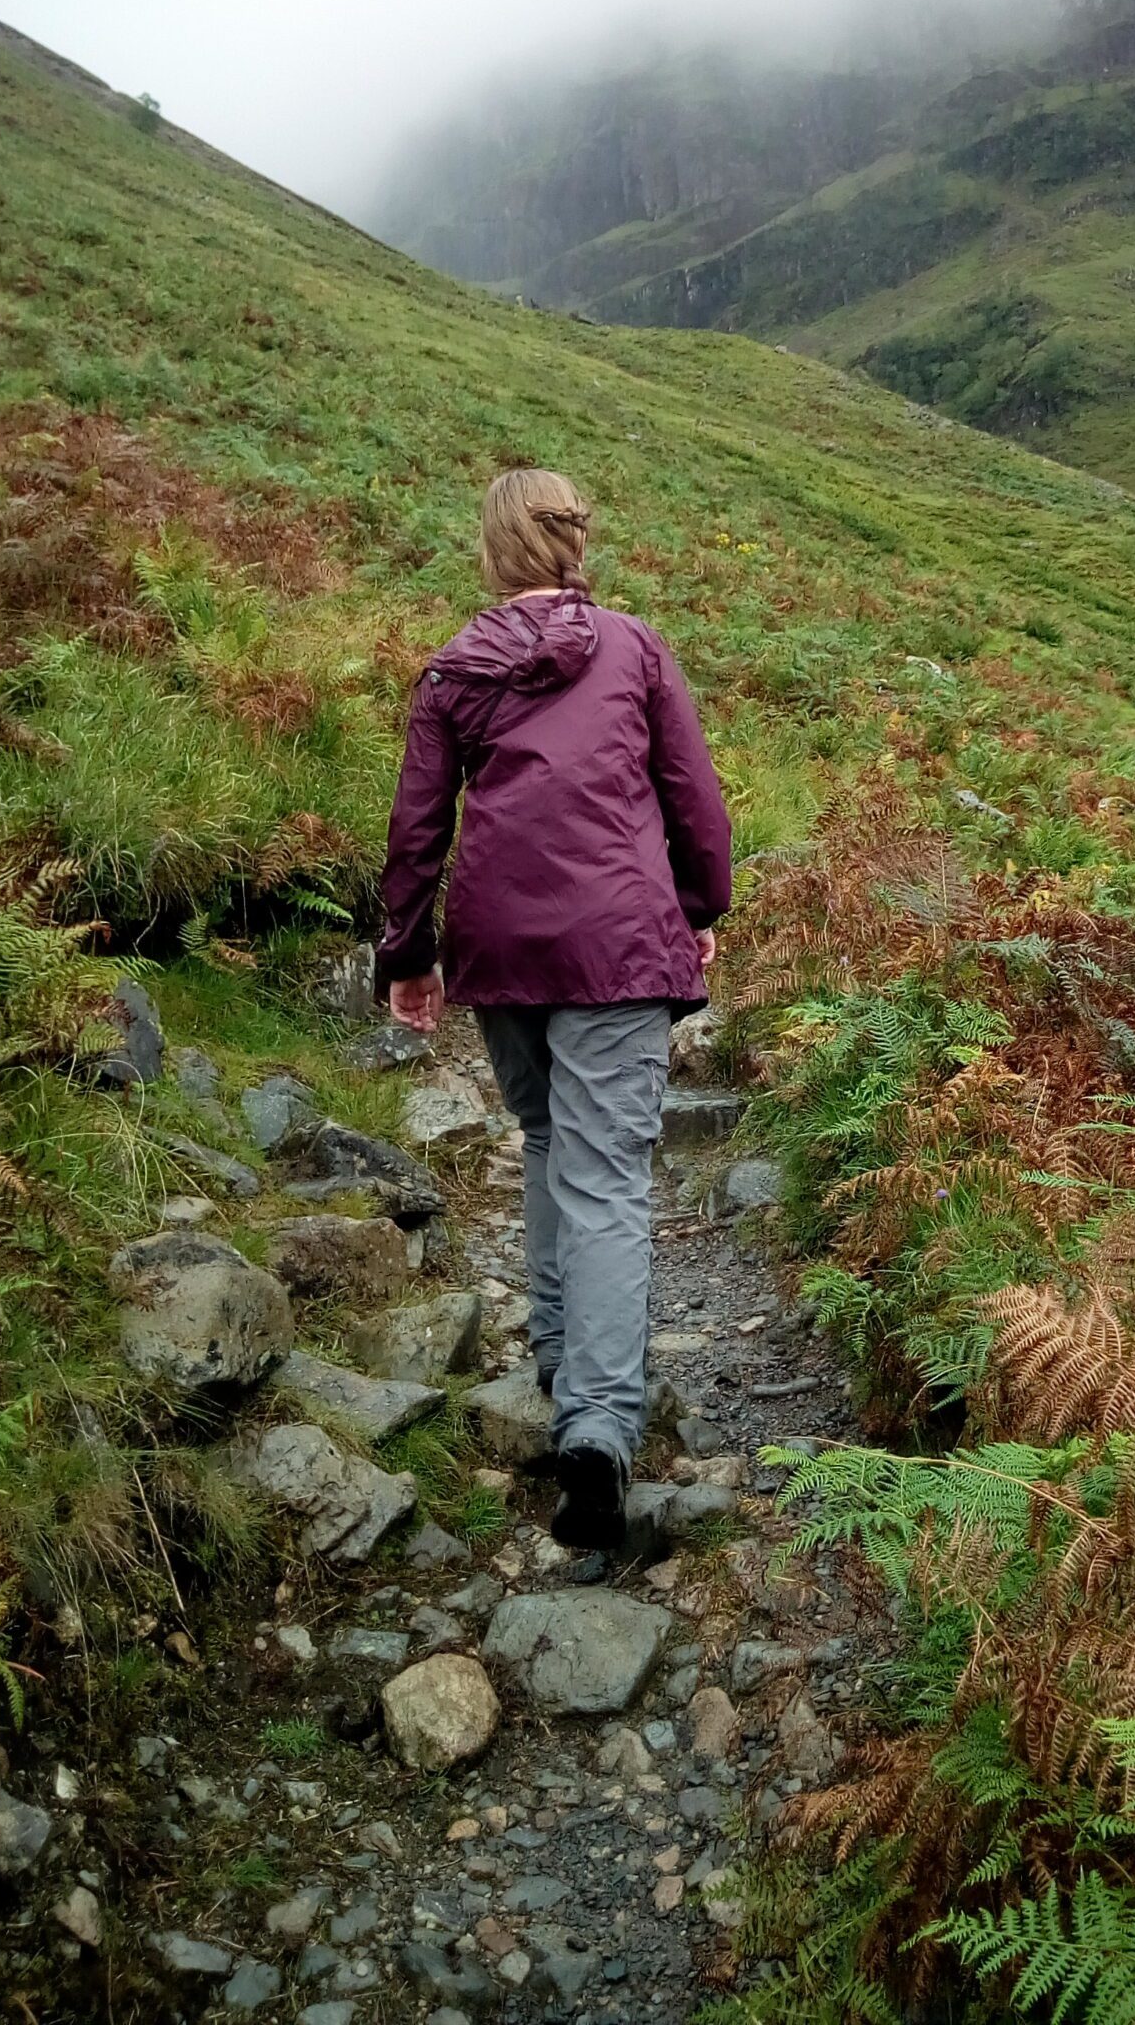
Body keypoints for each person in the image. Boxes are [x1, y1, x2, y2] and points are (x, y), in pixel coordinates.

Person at [374, 467, 732, 1558]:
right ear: (577, 542)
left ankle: (563, 1360)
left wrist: (409, 954)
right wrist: (702, 903)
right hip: (619, 939)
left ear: (494, 551)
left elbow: (416, 828)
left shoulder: (455, 669)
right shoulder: (635, 647)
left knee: (545, 1139)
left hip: (501, 943)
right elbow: (694, 798)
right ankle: (600, 1427)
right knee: (609, 1173)